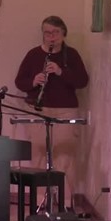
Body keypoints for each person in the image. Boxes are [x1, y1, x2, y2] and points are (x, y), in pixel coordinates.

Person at [14, 15, 89, 209]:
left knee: (65, 156)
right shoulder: (33, 54)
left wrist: (60, 72)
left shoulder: (71, 55)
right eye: (47, 33)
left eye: (55, 32)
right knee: (38, 154)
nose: (51, 37)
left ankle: (65, 203)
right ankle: (40, 202)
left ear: (63, 34)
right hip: (38, 109)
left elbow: (82, 81)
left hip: (65, 111)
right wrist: (34, 81)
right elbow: (19, 82)